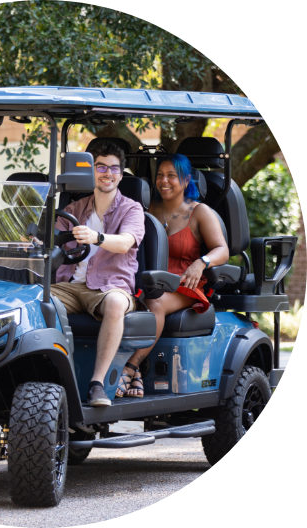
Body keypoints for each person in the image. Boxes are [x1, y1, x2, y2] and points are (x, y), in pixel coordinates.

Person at [116, 153, 229, 398]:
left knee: (155, 302)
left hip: (184, 283)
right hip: (147, 282)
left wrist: (201, 262)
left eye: (171, 176)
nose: (164, 181)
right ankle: (136, 375)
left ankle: (129, 368)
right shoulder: (146, 209)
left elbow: (222, 250)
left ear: (186, 180)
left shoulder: (199, 212)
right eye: (160, 175)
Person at [51, 140, 145, 407]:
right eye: (100, 167)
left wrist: (97, 237)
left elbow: (125, 243)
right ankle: (48, 376)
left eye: (114, 168)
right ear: (90, 172)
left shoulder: (132, 209)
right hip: (71, 286)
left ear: (121, 174)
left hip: (110, 287)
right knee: (35, 298)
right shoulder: (74, 209)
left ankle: (97, 384)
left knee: (115, 303)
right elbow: (53, 240)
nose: (107, 173)